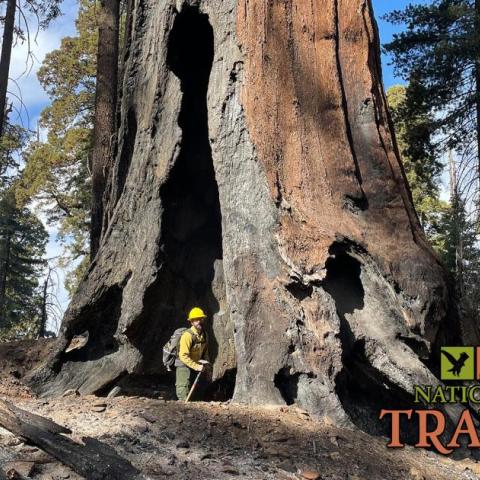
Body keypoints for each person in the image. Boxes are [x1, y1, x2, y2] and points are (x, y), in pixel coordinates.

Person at [175, 307, 211, 401]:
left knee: (197, 396)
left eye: (201, 319)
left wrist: (207, 368)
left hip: (196, 365)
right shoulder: (187, 336)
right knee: (184, 395)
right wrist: (197, 367)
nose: (199, 321)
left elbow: (205, 353)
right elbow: (183, 356)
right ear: (191, 322)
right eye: (196, 320)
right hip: (184, 366)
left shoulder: (205, 335)